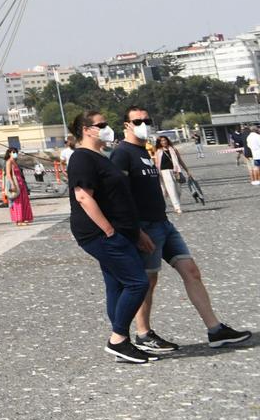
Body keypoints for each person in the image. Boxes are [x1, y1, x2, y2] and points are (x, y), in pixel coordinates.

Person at [112, 106, 249, 353]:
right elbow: (118, 195)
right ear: (126, 125)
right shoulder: (122, 154)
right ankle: (143, 334)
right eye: (138, 120)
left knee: (191, 271)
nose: (144, 123)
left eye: (147, 119)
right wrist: (134, 230)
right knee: (148, 280)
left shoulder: (145, 151)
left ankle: (215, 329)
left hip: (163, 222)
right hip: (145, 226)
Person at [67, 110, 156, 362]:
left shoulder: (101, 155)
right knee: (137, 282)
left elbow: (117, 197)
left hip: (121, 231)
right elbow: (83, 197)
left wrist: (135, 232)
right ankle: (117, 339)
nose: (107, 128)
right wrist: (108, 231)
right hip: (100, 233)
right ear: (86, 130)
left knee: (116, 284)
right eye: (101, 125)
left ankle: (123, 343)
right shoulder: (82, 158)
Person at [153, 135, 186, 216]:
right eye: (161, 141)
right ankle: (177, 207)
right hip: (165, 172)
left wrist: (187, 170)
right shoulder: (158, 151)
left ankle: (176, 204)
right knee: (171, 190)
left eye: (165, 140)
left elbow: (180, 160)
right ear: (159, 143)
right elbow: (156, 164)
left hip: (175, 170)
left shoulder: (173, 149)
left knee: (178, 190)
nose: (164, 142)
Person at [0, 149, 34, 226]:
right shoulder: (9, 162)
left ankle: (24, 217)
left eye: (16, 152)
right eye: (14, 152)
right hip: (15, 183)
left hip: (20, 183)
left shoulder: (15, 162)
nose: (15, 154)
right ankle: (18, 220)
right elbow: (8, 174)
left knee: (24, 201)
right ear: (9, 153)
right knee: (17, 202)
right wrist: (12, 185)